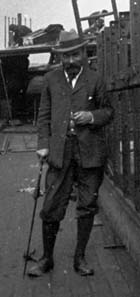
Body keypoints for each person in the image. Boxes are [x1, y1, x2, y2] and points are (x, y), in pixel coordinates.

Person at [28, 30, 114, 277]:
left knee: (87, 205)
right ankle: (47, 259)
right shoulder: (51, 79)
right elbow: (43, 116)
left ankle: (80, 259)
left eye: (75, 55)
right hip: (59, 153)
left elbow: (109, 111)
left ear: (84, 54)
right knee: (52, 205)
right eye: (65, 56)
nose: (70, 61)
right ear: (60, 58)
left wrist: (91, 116)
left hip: (90, 153)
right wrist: (43, 144)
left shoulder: (96, 79)